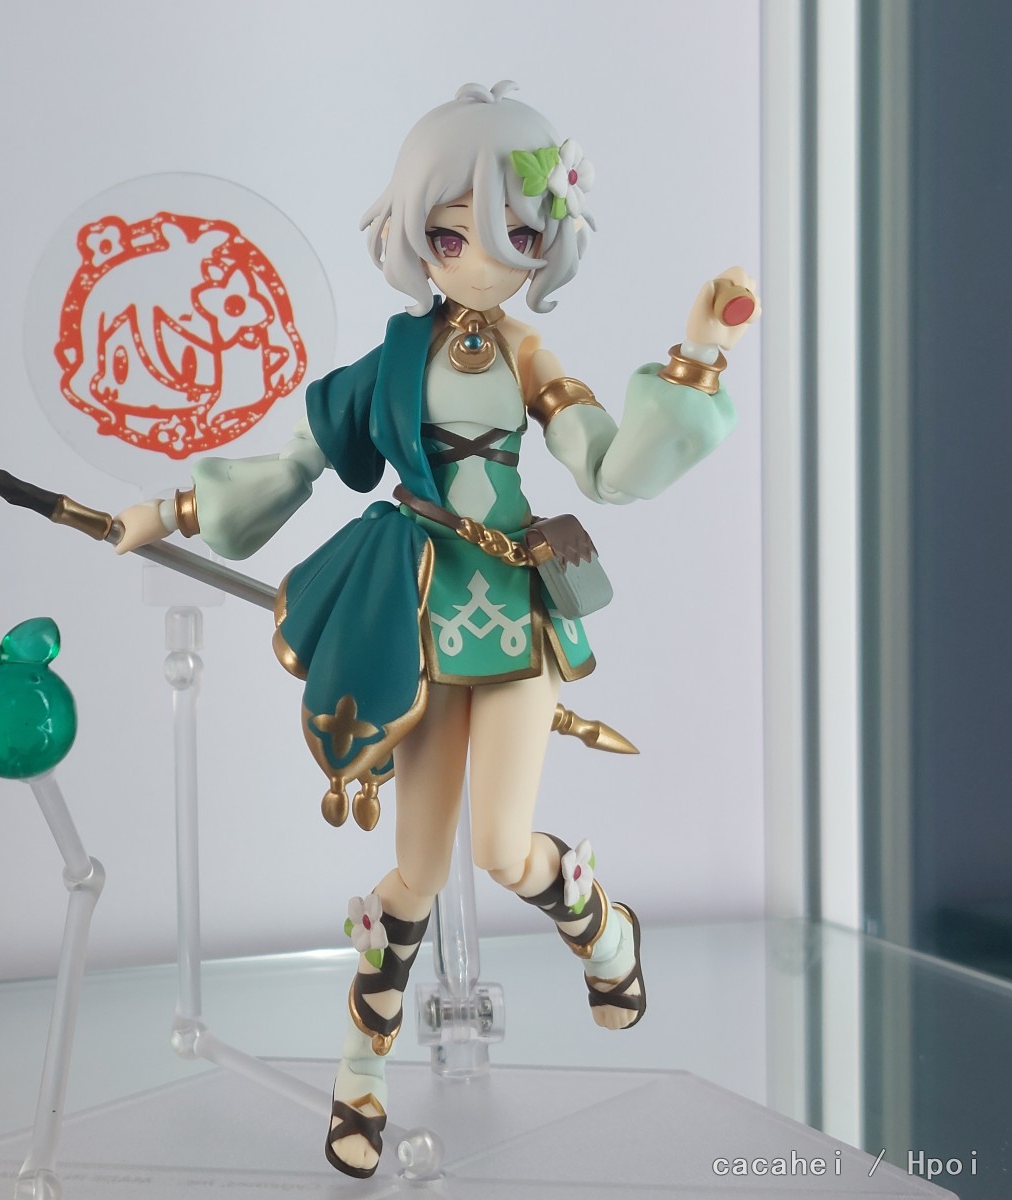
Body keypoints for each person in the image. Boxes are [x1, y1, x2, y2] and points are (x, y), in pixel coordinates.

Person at [114, 80, 758, 1178]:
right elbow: (296, 463)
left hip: (512, 618)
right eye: (451, 234)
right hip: (416, 621)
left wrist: (697, 354)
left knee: (503, 851)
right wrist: (168, 512)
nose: (482, 257)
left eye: (517, 234)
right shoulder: (393, 363)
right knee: (411, 874)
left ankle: (601, 925)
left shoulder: (528, 359)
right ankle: (359, 1079)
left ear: (549, 240)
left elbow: (609, 468)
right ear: (416, 234)